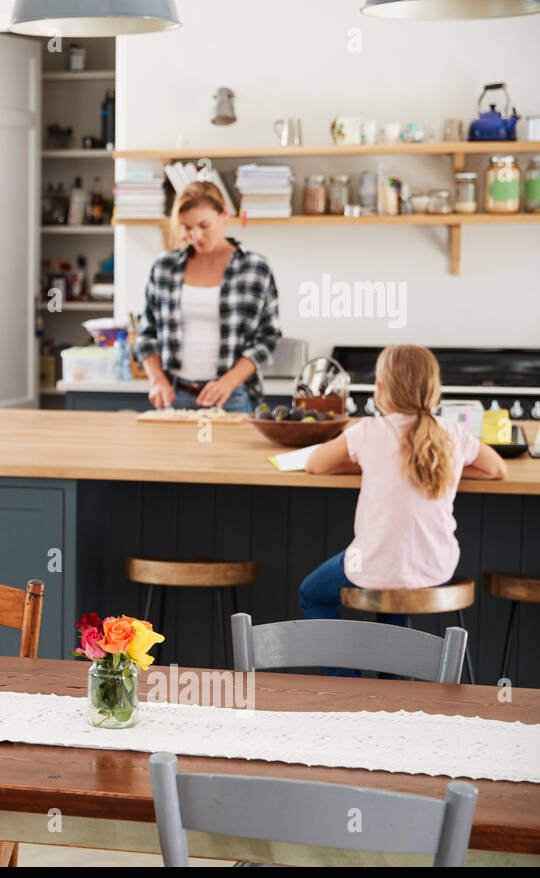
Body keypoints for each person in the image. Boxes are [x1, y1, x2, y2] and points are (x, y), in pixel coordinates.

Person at [301, 345, 506, 675]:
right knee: (393, 595)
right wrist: (445, 468)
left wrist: (367, 466)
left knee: (312, 593)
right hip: (435, 567)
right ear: (434, 389)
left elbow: (314, 465)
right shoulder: (451, 432)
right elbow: (497, 469)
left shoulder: (367, 431)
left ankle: (347, 683)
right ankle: (392, 691)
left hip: (375, 564)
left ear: (379, 390)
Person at [135, 180, 282, 413]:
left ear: (224, 214)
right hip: (174, 395)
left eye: (204, 225)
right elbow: (146, 333)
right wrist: (157, 380)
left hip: (231, 396)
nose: (196, 235)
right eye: (187, 227)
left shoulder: (255, 268)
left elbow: (268, 338)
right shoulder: (164, 266)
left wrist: (229, 382)